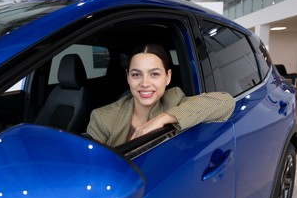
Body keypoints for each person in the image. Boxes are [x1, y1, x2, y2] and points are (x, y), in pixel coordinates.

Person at [86, 43, 235, 147]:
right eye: (136, 74)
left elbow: (225, 101)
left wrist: (162, 119)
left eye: (154, 74)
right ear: (128, 77)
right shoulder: (102, 118)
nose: (145, 83)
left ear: (168, 77)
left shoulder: (175, 100)